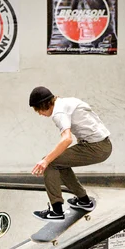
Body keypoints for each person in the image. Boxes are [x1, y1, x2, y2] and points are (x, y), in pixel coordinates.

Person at [29, 86, 112, 221]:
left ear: (43, 105)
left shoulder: (58, 113)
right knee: (60, 162)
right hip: (101, 144)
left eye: (38, 110)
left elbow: (67, 139)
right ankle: (84, 200)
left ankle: (56, 211)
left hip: (96, 147)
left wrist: (45, 161)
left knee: (50, 162)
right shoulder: (66, 102)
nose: (39, 114)